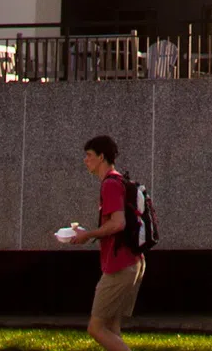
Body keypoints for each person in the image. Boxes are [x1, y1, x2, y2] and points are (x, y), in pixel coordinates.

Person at [60, 133, 143, 351]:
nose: (85, 160)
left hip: (120, 265)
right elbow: (115, 226)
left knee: (96, 328)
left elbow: (118, 223)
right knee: (111, 328)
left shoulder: (110, 184)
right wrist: (92, 233)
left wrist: (87, 235)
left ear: (101, 157)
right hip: (131, 263)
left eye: (89, 155)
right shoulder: (118, 181)